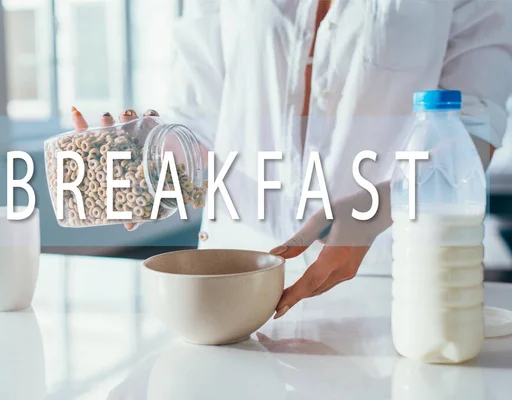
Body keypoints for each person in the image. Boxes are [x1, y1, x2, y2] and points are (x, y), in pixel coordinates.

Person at [71, 0, 512, 319]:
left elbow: (471, 133)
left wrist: (377, 208)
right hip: (232, 278)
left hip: (387, 279)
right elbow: (200, 121)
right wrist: (143, 164)